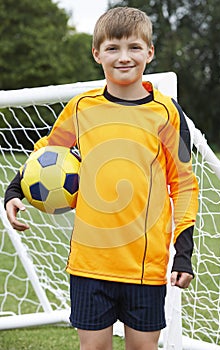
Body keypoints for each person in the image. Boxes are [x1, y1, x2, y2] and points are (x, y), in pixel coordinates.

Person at [5, 6, 199, 350]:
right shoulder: (82, 107)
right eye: (113, 48)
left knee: (143, 348)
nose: (124, 57)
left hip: (145, 265)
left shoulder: (167, 112)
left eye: (134, 48)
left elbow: (183, 183)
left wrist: (182, 253)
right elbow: (48, 153)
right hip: (89, 263)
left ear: (150, 52)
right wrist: (15, 189)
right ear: (97, 53)